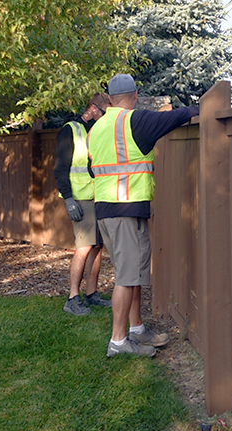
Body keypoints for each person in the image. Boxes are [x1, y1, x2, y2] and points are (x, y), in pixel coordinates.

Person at [87, 74, 199, 357]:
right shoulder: (134, 122)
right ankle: (118, 341)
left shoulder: (97, 128)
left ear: (110, 100)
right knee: (126, 277)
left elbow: (92, 169)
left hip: (106, 209)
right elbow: (181, 115)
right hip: (125, 209)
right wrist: (203, 108)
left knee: (132, 271)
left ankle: (136, 329)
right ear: (135, 96)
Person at [54, 93, 113, 315]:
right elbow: (60, 168)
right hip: (79, 198)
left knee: (97, 247)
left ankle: (91, 294)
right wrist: (68, 199)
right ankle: (72, 298)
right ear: (94, 109)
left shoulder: (96, 131)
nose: (107, 117)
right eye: (105, 112)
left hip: (98, 197)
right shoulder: (70, 130)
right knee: (84, 247)